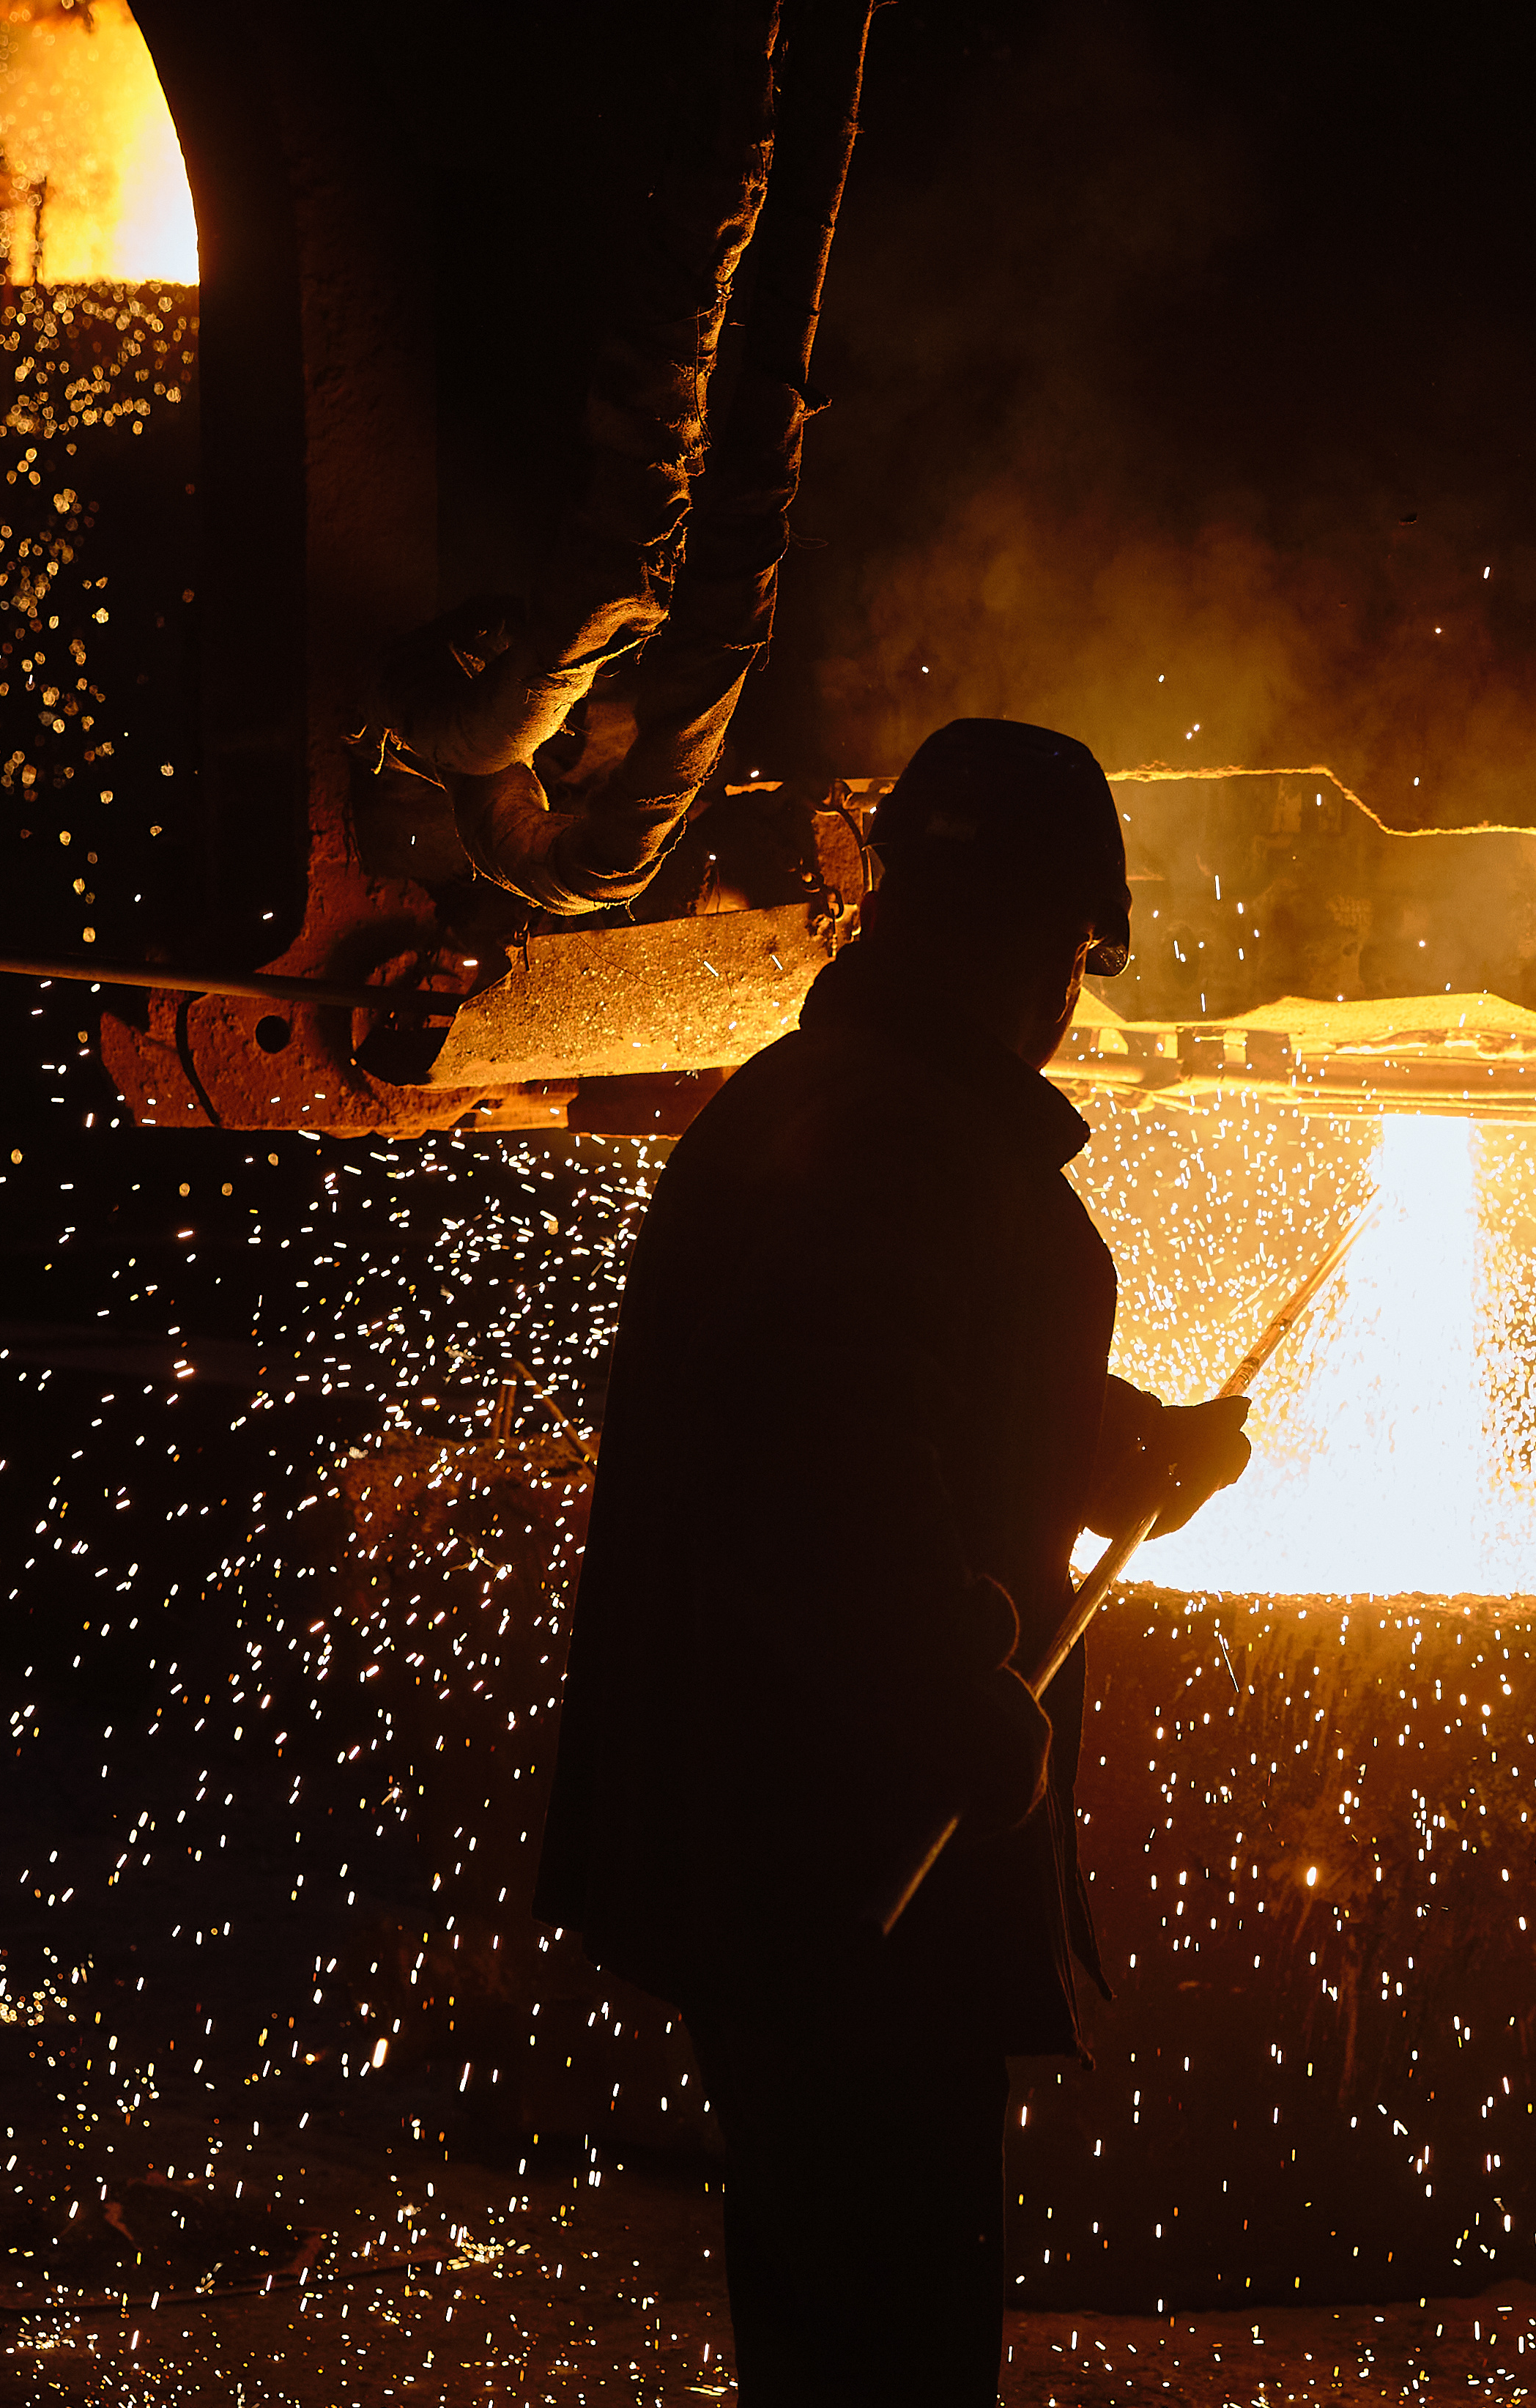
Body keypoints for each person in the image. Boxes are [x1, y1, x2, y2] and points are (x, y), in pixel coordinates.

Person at [536, 717, 1255, 2403]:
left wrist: (1124, 1448)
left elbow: (910, 1391)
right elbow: (824, 1475)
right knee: (884, 2332)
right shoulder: (893, 1141)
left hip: (793, 1847)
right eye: (1074, 951)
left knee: (846, 2299)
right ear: (1039, 941)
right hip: (834, 1862)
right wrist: (953, 1702)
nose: (1067, 998)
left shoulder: (856, 1113)